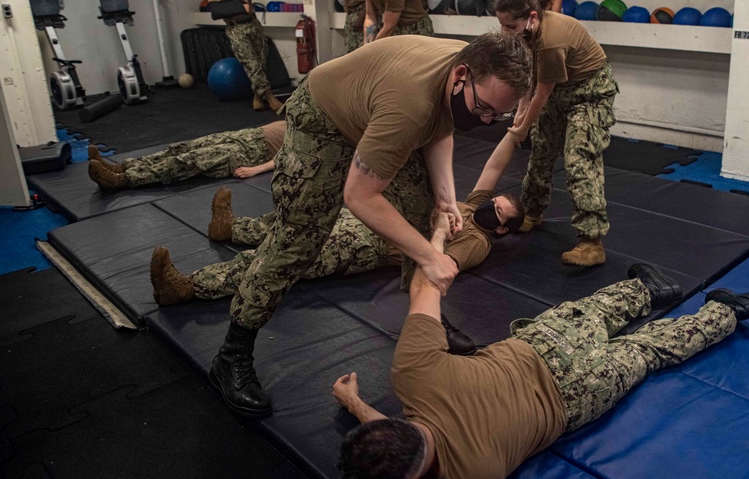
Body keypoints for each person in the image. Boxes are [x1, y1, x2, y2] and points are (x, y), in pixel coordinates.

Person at [334, 212, 749, 479]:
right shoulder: (413, 372)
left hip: (577, 397)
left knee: (647, 352)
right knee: (590, 313)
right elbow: (426, 281)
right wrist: (438, 235)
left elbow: (405, 459)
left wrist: (356, 405)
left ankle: (726, 313)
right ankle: (647, 290)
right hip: (539, 349)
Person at [208, 33, 533, 419]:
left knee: (423, 212)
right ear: (461, 74)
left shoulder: (467, 74)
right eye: (483, 109)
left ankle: (428, 323)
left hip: (378, 106)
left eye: (497, 115)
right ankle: (232, 353)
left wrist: (446, 198)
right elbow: (359, 196)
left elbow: (442, 127)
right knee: (298, 241)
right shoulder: (410, 103)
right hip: (323, 119)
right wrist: (430, 256)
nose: (485, 121)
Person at [149, 132, 525, 318]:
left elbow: (440, 267)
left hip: (371, 243)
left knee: (281, 258)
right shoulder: (475, 205)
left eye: (499, 212)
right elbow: (492, 167)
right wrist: (515, 130)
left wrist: (441, 230)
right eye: (495, 201)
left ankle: (188, 287)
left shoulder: (478, 240)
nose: (491, 206)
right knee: (293, 223)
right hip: (380, 216)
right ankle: (231, 228)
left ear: (502, 229)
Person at [494, 0, 618, 266]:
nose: (505, 32)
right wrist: (520, 114)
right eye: (502, 25)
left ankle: (591, 242)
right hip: (558, 89)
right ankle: (532, 212)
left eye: (510, 26)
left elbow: (542, 91)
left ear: (532, 17)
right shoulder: (526, 34)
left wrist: (523, 126)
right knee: (541, 152)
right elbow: (531, 79)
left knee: (578, 159)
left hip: (590, 92)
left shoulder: (551, 40)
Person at [207, 0, 301, 112]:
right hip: (236, 29)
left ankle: (257, 96)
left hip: (253, 25)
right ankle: (270, 98)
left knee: (261, 59)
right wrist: (240, 7)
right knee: (252, 63)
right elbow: (216, 11)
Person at [86, 121, 285, 190]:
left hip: (255, 153)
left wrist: (256, 170)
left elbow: (295, 158)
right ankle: (123, 166)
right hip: (251, 134)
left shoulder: (317, 138)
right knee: (182, 148)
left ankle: (122, 180)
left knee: (189, 161)